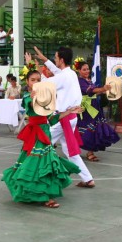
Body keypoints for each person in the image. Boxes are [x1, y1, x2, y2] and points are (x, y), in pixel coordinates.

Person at [2, 70, 81, 208]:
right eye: (33, 80)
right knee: (38, 163)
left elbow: (52, 118)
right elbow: (31, 104)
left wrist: (69, 111)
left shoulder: (47, 98)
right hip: (35, 134)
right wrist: (34, 98)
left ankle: (42, 193)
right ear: (27, 82)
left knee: (43, 165)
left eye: (38, 80)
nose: (36, 82)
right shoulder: (27, 96)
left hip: (45, 133)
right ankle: (46, 197)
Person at [33, 46, 95, 188]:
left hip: (62, 119)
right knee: (69, 151)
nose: (55, 60)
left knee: (40, 145)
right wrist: (45, 60)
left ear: (61, 59)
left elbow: (41, 85)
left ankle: (34, 178)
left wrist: (35, 69)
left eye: (55, 57)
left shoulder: (62, 77)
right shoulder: (71, 73)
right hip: (70, 118)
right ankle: (88, 179)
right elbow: (57, 72)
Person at [76, 60, 120, 162]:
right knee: (88, 128)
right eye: (84, 69)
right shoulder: (80, 81)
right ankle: (80, 150)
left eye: (87, 69)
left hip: (94, 107)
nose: (87, 71)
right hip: (87, 109)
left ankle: (90, 151)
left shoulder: (89, 80)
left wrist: (104, 91)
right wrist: (103, 89)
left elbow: (95, 92)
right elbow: (91, 91)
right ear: (79, 71)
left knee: (95, 128)